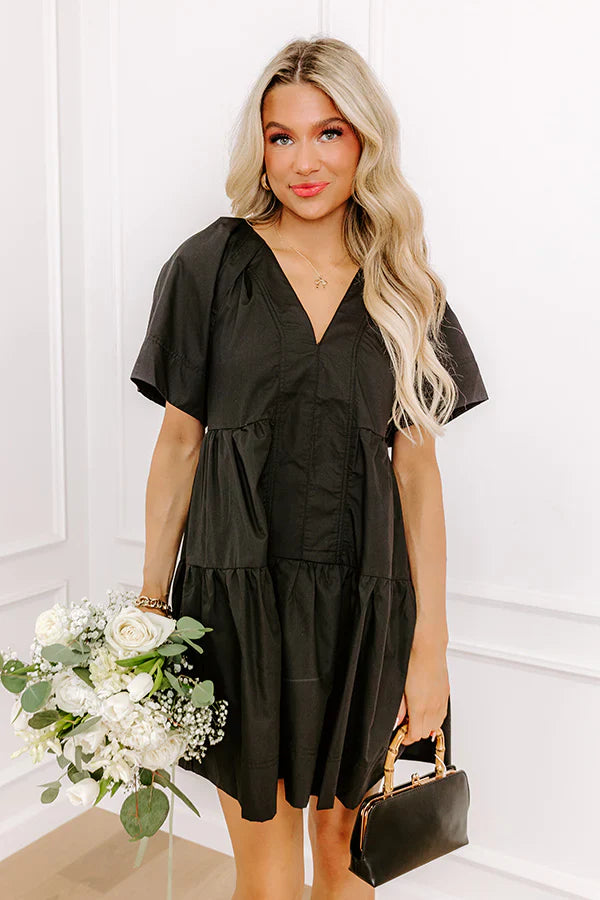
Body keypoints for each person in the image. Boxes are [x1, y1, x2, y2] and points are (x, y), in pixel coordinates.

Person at [130, 36, 489, 900]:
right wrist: (149, 611)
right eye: (281, 136)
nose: (304, 161)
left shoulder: (405, 285)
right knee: (266, 880)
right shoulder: (210, 266)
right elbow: (179, 444)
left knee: (348, 867)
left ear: (365, 140)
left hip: (366, 613)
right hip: (237, 607)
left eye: (329, 133)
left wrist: (430, 647)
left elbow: (417, 475)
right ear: (260, 148)